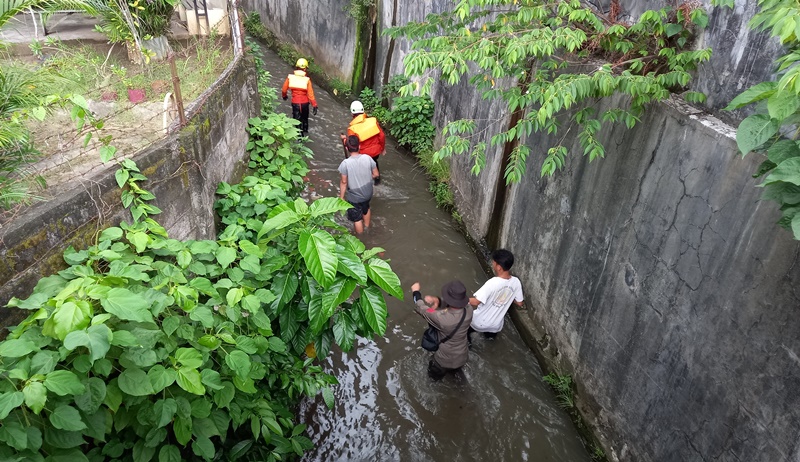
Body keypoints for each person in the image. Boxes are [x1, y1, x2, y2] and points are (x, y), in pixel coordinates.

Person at [410, 280, 473, 380]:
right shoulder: (469, 310)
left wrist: (416, 292)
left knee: (432, 379)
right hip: (462, 356)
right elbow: (455, 307)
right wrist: (438, 301)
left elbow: (421, 308)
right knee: (456, 377)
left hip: (443, 361)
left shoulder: (442, 318)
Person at [468, 249, 524, 344]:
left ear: (498, 267)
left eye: (493, 262)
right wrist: (509, 295)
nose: (492, 263)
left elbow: (476, 302)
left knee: (466, 337)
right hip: (495, 326)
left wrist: (458, 299)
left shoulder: (492, 283)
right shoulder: (516, 282)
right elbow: (519, 302)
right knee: (489, 341)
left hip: (479, 322)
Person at [338, 135, 379, 234]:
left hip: (355, 197)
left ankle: (361, 237)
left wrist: (341, 197)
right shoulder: (368, 158)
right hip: (368, 193)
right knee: (366, 207)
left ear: (347, 148)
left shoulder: (345, 163)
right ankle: (367, 226)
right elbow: (376, 174)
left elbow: (344, 182)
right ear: (359, 146)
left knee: (356, 218)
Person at [340, 100, 386, 184]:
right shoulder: (373, 121)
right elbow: (382, 136)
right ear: (363, 111)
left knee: (363, 170)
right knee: (374, 163)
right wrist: (382, 148)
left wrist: (344, 139)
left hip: (363, 154)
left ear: (352, 114)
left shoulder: (352, 129)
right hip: (376, 152)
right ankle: (377, 180)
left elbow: (352, 145)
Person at [281, 58, 318, 137]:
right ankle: (305, 132)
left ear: (297, 67)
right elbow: (310, 94)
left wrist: (284, 96)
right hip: (305, 104)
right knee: (305, 119)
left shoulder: (290, 78)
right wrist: (314, 105)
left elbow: (284, 89)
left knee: (296, 120)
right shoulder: (307, 80)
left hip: (295, 103)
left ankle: (299, 137)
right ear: (305, 68)